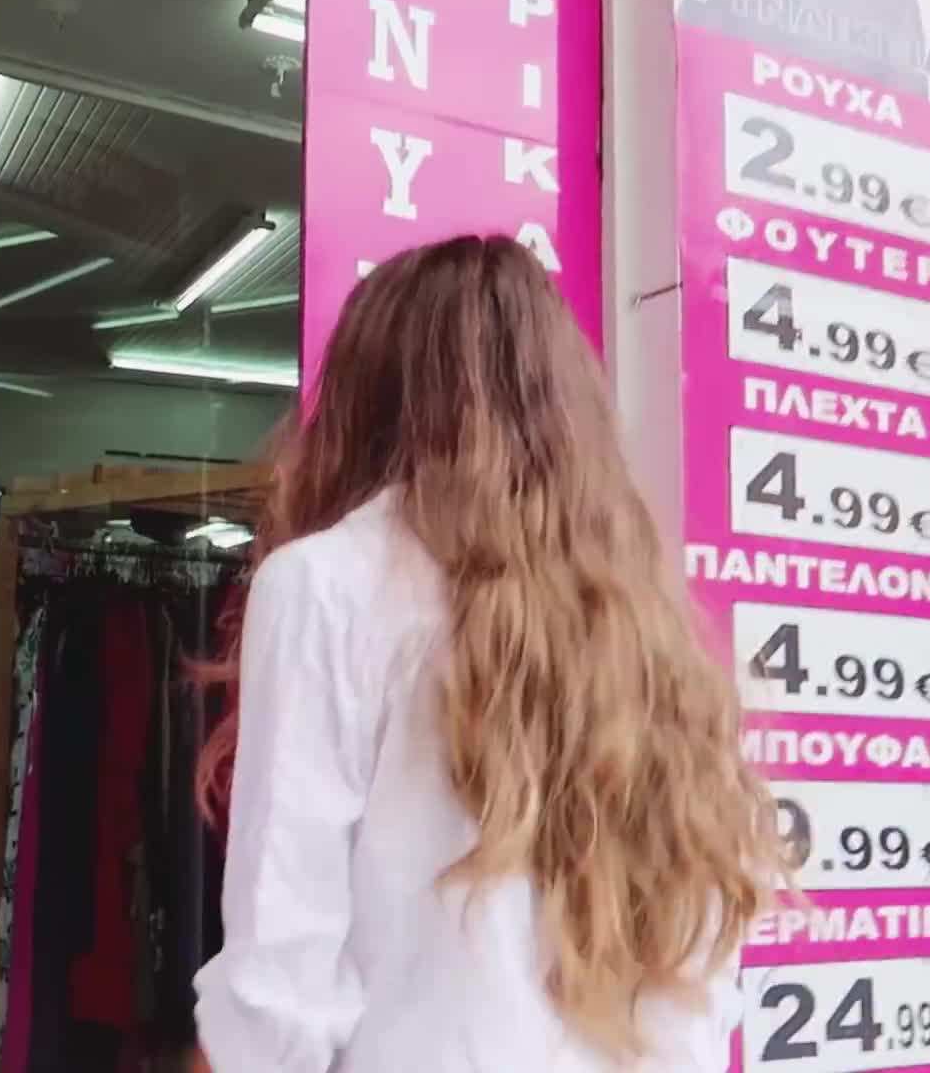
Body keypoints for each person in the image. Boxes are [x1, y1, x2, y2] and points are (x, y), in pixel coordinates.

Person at [190, 236, 781, 1071]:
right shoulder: (640, 620)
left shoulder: (326, 585)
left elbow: (281, 975)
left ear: (366, 398)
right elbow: (698, 968)